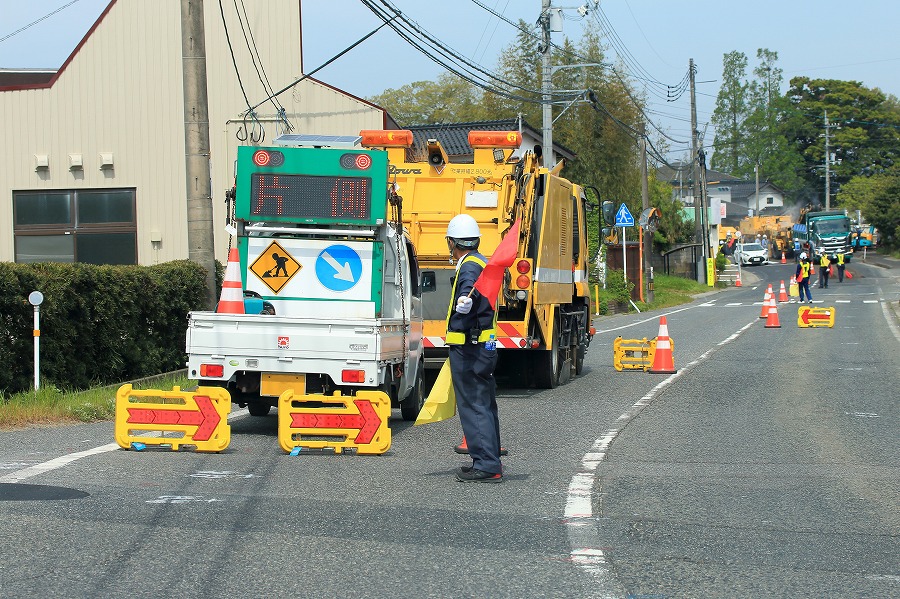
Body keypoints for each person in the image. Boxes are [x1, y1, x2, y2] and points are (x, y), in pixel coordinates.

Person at [444, 214, 503, 483]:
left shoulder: (468, 266)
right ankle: (486, 459)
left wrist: (463, 311)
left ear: (453, 243)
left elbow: (469, 293)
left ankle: (487, 465)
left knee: (474, 405)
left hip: (470, 347)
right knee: (485, 404)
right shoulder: (482, 261)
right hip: (483, 345)